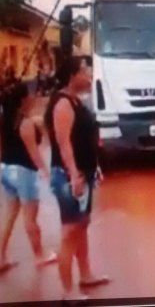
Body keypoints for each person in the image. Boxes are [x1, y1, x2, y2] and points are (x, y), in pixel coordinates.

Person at [44, 56, 109, 300]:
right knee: (70, 232)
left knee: (81, 226)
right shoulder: (62, 104)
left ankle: (86, 275)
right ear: (72, 75)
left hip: (85, 172)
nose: (88, 74)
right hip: (70, 176)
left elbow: (85, 141)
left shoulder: (76, 101)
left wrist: (95, 167)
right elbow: (63, 145)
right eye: (84, 70)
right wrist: (74, 175)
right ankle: (68, 291)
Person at [0, 82, 57, 274]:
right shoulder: (25, 123)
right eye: (32, 94)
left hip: (6, 168)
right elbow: (34, 152)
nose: (35, 97)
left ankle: (1, 256)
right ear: (24, 99)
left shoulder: (7, 119)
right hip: (24, 171)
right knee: (30, 217)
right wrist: (46, 173)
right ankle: (40, 255)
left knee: (10, 216)